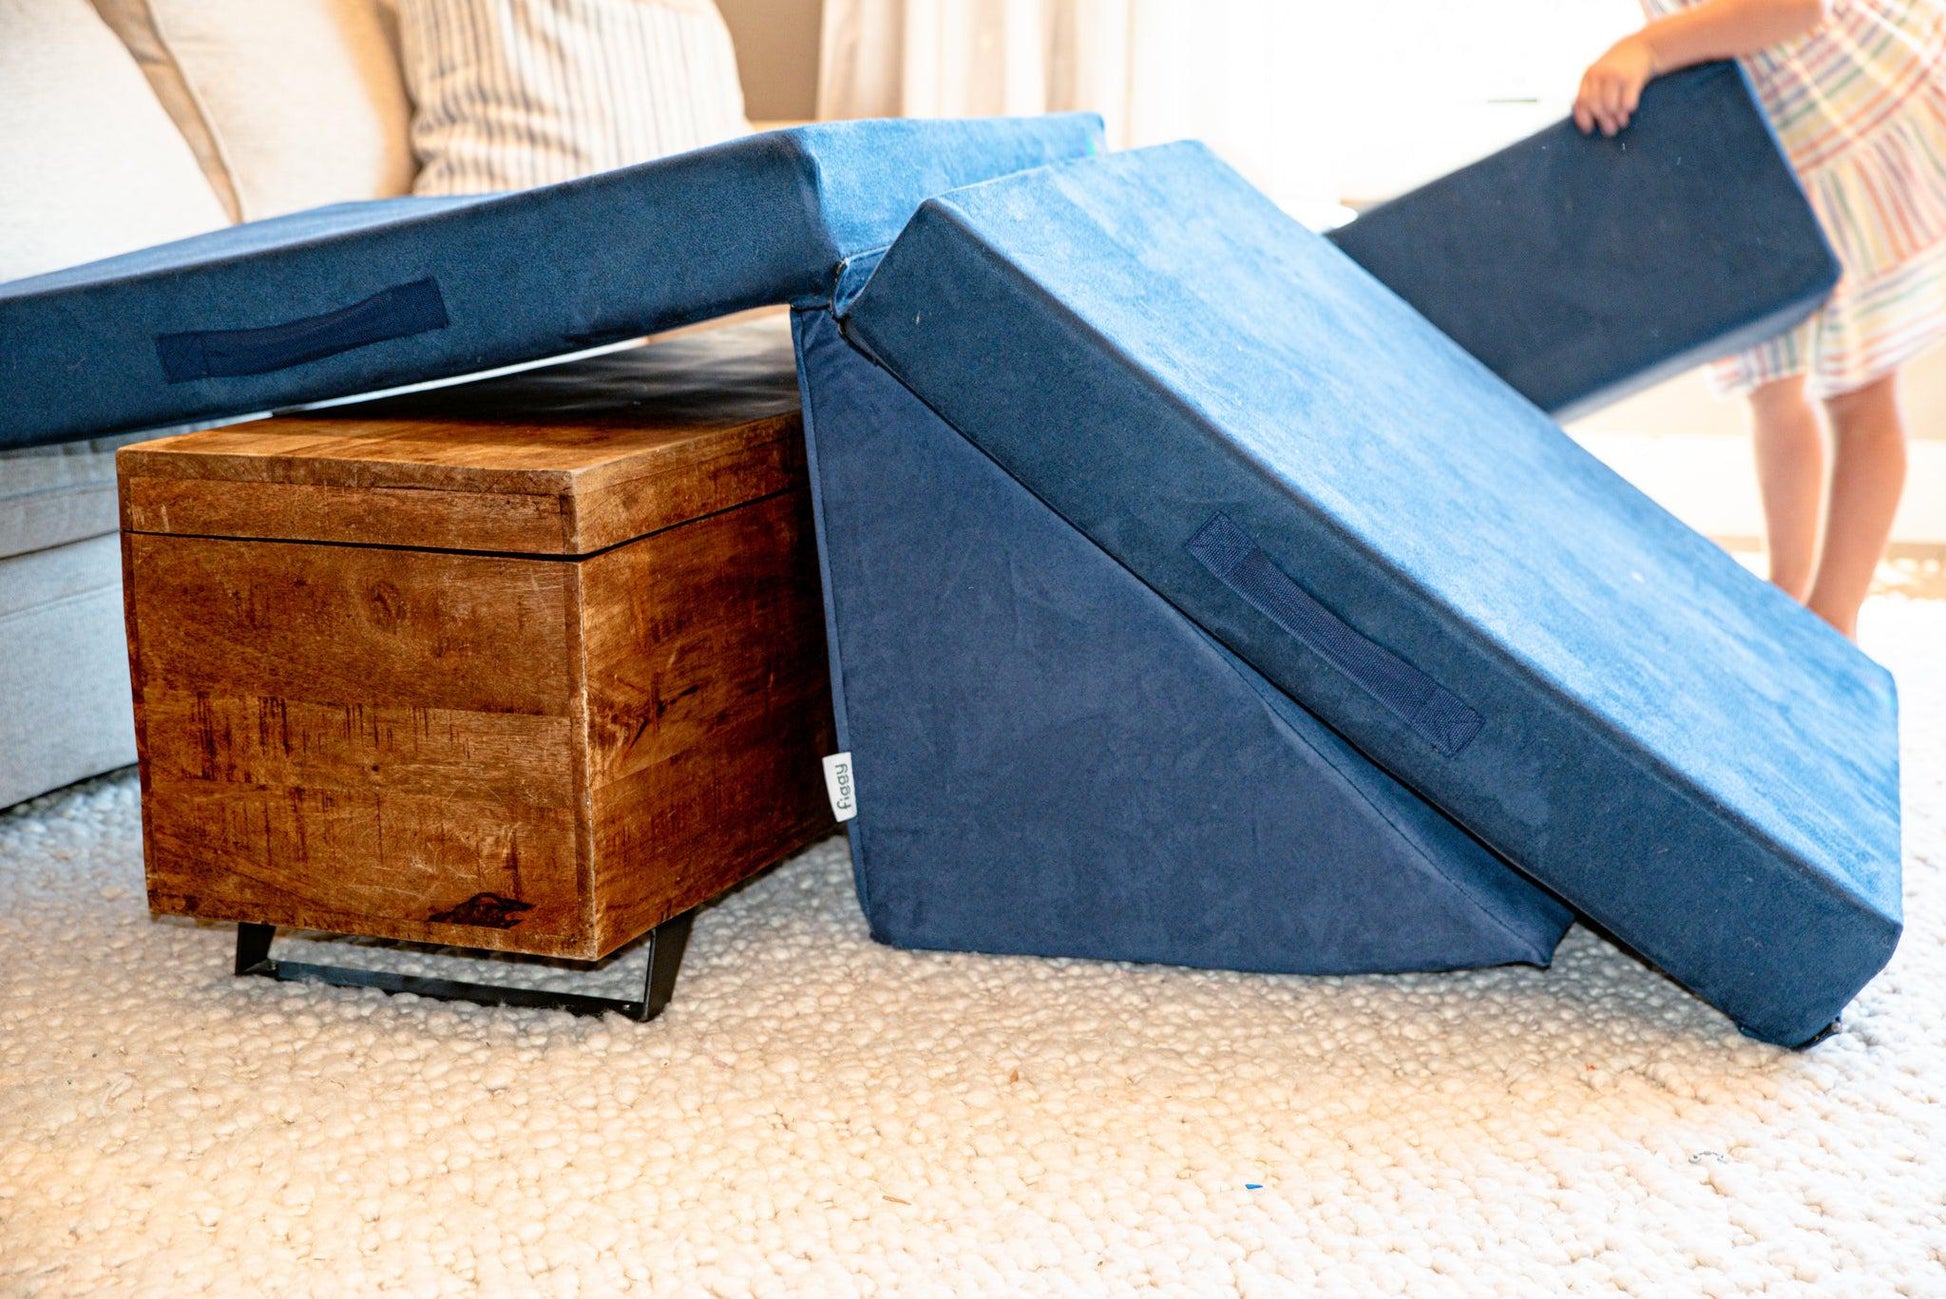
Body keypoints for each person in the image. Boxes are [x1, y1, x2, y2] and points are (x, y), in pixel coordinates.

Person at [1576, 0, 1946, 639]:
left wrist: (1647, 50)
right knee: (1773, 386)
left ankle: (1833, 622)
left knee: (1860, 390)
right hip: (1765, 146)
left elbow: (1796, 8)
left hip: (1841, 114)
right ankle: (1786, 597)